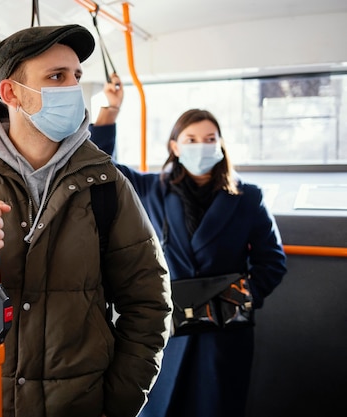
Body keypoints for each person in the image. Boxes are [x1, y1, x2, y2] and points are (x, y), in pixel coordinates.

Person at [0, 24, 172, 417]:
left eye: (76, 77)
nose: (73, 89)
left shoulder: (106, 184)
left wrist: (118, 402)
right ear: (12, 93)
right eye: (56, 77)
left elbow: (149, 305)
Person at [90, 86, 287, 417]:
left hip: (223, 329)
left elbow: (272, 262)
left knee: (215, 405)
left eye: (210, 139)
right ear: (174, 146)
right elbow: (100, 165)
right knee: (161, 405)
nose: (202, 146)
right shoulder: (151, 189)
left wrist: (233, 300)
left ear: (221, 145)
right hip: (167, 325)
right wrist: (109, 112)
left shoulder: (248, 197)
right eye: (192, 139)